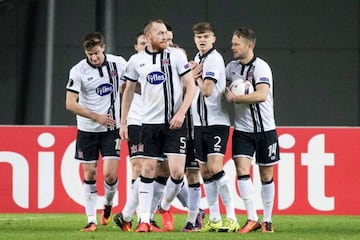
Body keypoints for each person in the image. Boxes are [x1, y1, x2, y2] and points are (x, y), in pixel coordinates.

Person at [120, 19, 196, 233]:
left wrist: (181, 113)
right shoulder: (136, 61)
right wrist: (123, 122)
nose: (165, 36)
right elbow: (128, 91)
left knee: (177, 172)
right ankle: (144, 219)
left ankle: (164, 206)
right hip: (149, 124)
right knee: (148, 169)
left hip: (175, 124)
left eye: (165, 33)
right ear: (148, 37)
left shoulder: (176, 56)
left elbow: (191, 87)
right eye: (160, 33)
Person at [65, 32, 127, 232]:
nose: (94, 57)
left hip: (111, 129)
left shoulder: (118, 64)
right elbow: (69, 104)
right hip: (87, 129)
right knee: (90, 172)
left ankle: (108, 204)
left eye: (97, 53)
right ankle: (91, 220)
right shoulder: (78, 71)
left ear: (104, 48)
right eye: (89, 54)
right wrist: (95, 116)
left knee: (109, 175)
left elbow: (134, 82)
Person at [224, 27, 280, 233]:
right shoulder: (231, 68)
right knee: (241, 170)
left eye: (236, 44)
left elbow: (261, 94)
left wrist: (235, 98)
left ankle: (267, 220)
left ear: (249, 45)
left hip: (265, 129)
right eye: (232, 43)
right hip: (242, 130)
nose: (232, 47)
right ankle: (251, 218)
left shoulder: (261, 68)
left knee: (266, 174)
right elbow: (222, 86)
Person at [190, 22, 239, 233]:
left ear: (213, 38)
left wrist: (196, 76)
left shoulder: (214, 59)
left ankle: (232, 217)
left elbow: (208, 90)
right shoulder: (198, 59)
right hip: (199, 123)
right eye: (199, 37)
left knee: (216, 168)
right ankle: (215, 218)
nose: (202, 40)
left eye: (206, 36)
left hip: (216, 122)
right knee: (205, 172)